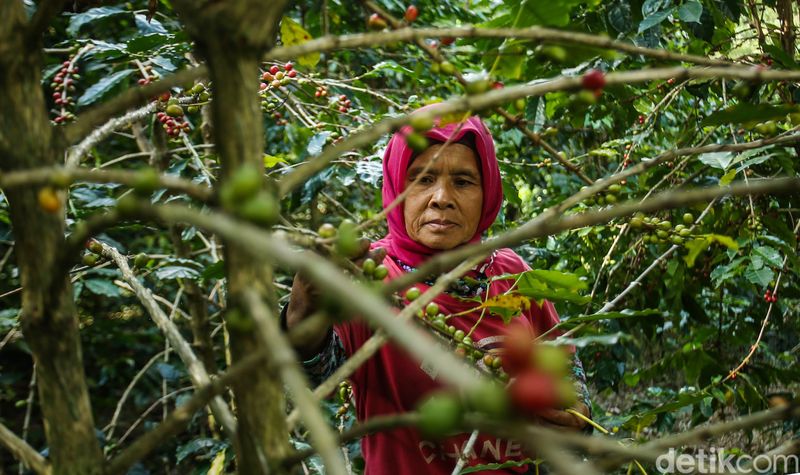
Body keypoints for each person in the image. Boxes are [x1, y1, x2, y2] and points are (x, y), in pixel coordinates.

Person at [284, 109, 591, 474]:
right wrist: (301, 316)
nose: (441, 198)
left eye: (462, 181)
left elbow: (566, 371)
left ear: (488, 192)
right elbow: (319, 373)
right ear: (398, 188)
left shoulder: (513, 273)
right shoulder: (369, 278)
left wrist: (575, 414)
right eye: (422, 179)